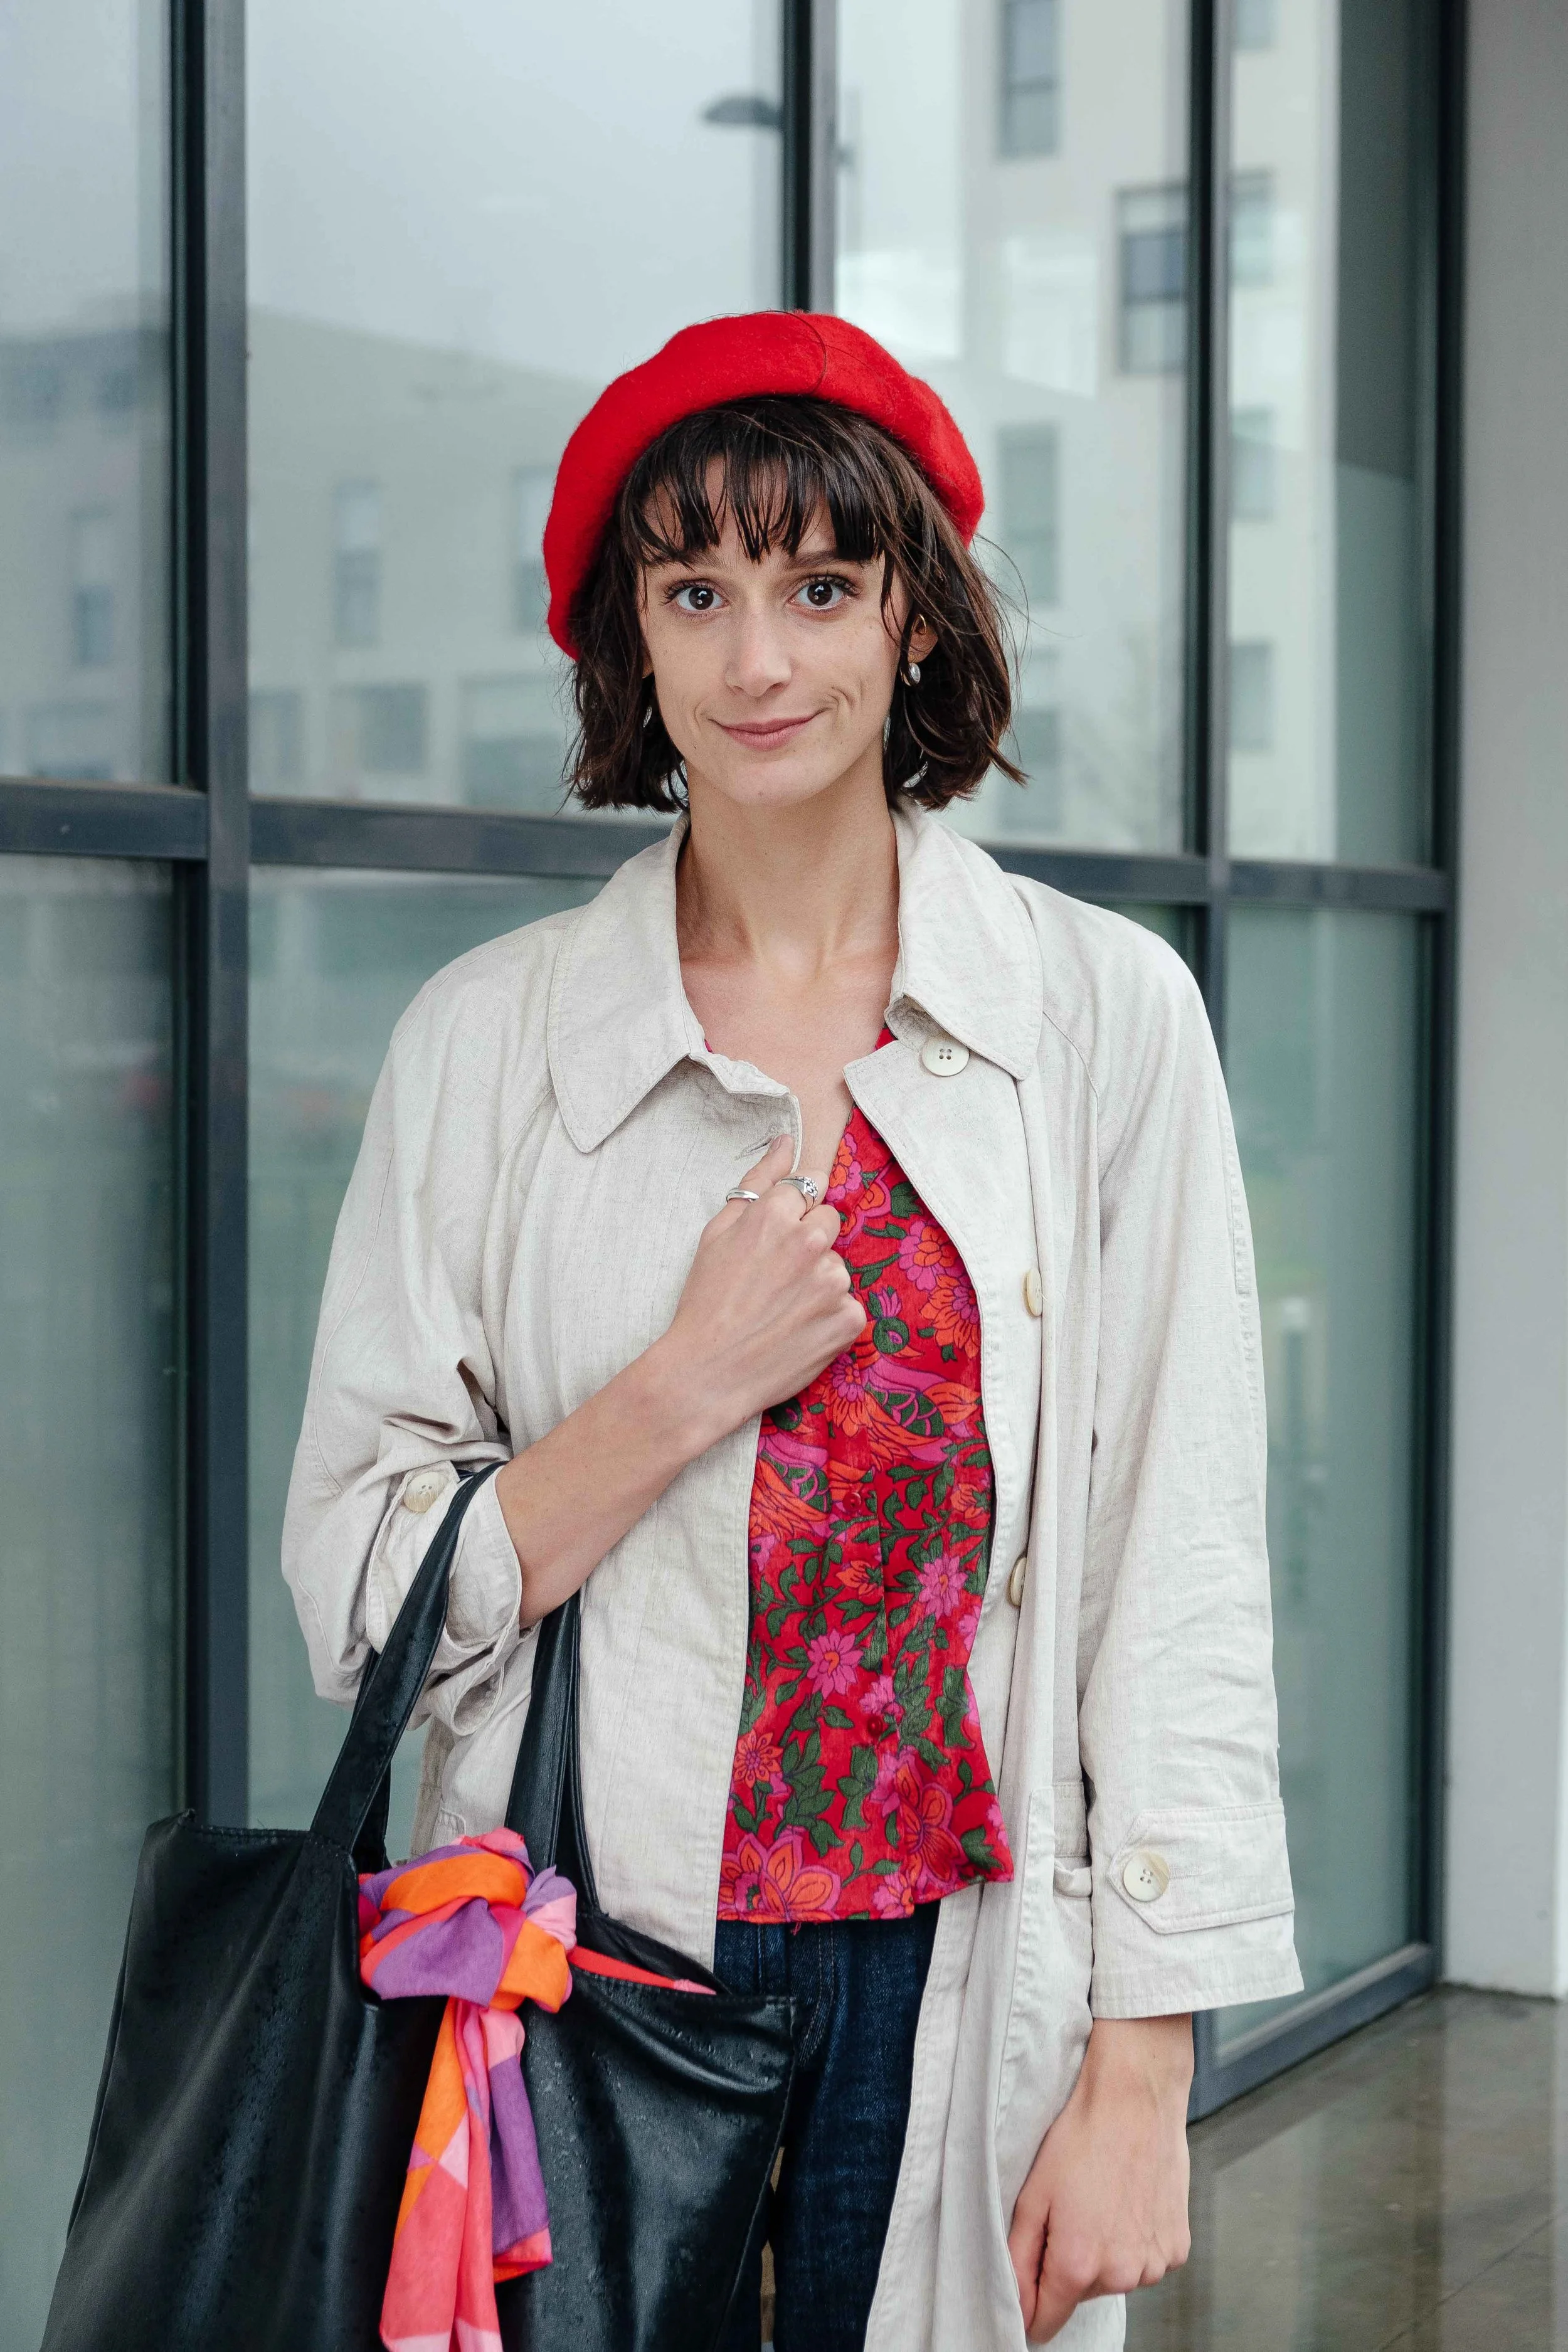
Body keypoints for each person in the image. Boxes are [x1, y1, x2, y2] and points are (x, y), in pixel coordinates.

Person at [283, 312, 1301, 2350]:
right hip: (578, 1977)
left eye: (821, 585)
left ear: (913, 614)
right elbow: (356, 1580)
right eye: (698, 592)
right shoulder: (487, 1045)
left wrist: (1144, 2060)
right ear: (628, 646)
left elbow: (1173, 1561)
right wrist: (672, 1392)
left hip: (962, 1971)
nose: (761, 661)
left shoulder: (1099, 1022)